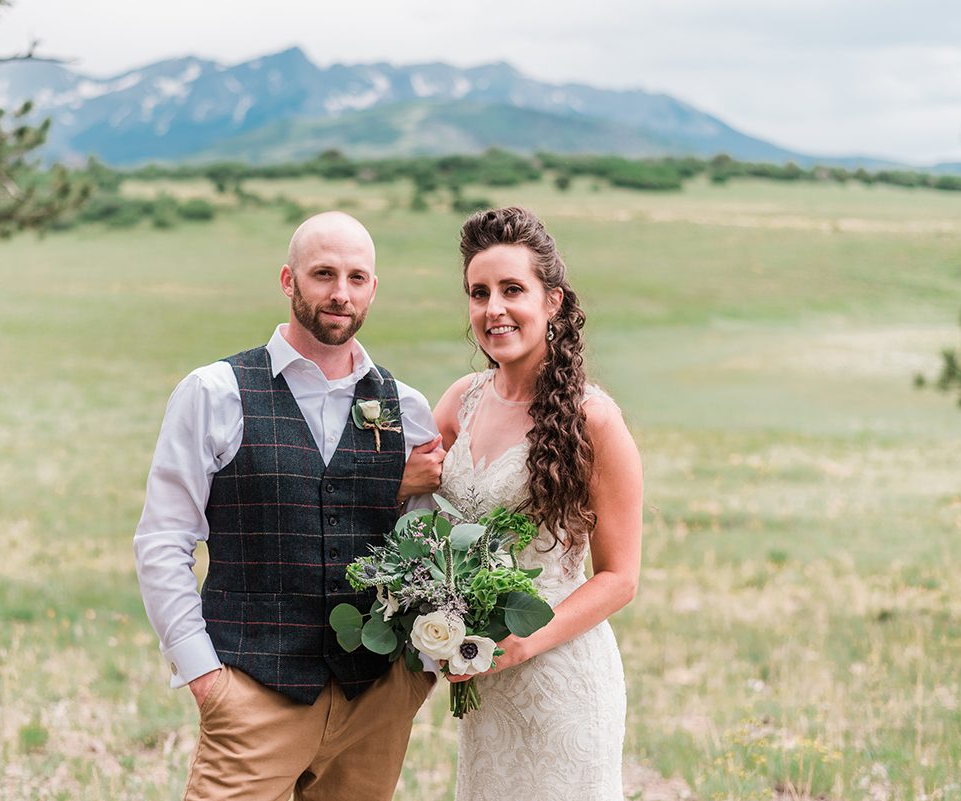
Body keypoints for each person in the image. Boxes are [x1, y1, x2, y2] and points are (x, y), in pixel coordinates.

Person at [133, 211, 444, 801]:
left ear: (373, 288)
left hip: (372, 700)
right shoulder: (214, 391)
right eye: (323, 273)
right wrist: (204, 676)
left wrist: (417, 673)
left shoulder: (407, 406)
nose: (340, 293)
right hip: (253, 691)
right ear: (288, 280)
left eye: (357, 277)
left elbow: (424, 550)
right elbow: (162, 542)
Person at [433, 207, 643, 801]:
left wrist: (524, 643)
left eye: (512, 290)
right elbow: (413, 502)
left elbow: (620, 578)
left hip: (559, 674)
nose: (493, 308)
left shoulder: (593, 419)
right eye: (479, 293)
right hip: (481, 675)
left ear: (552, 301)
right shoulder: (461, 401)